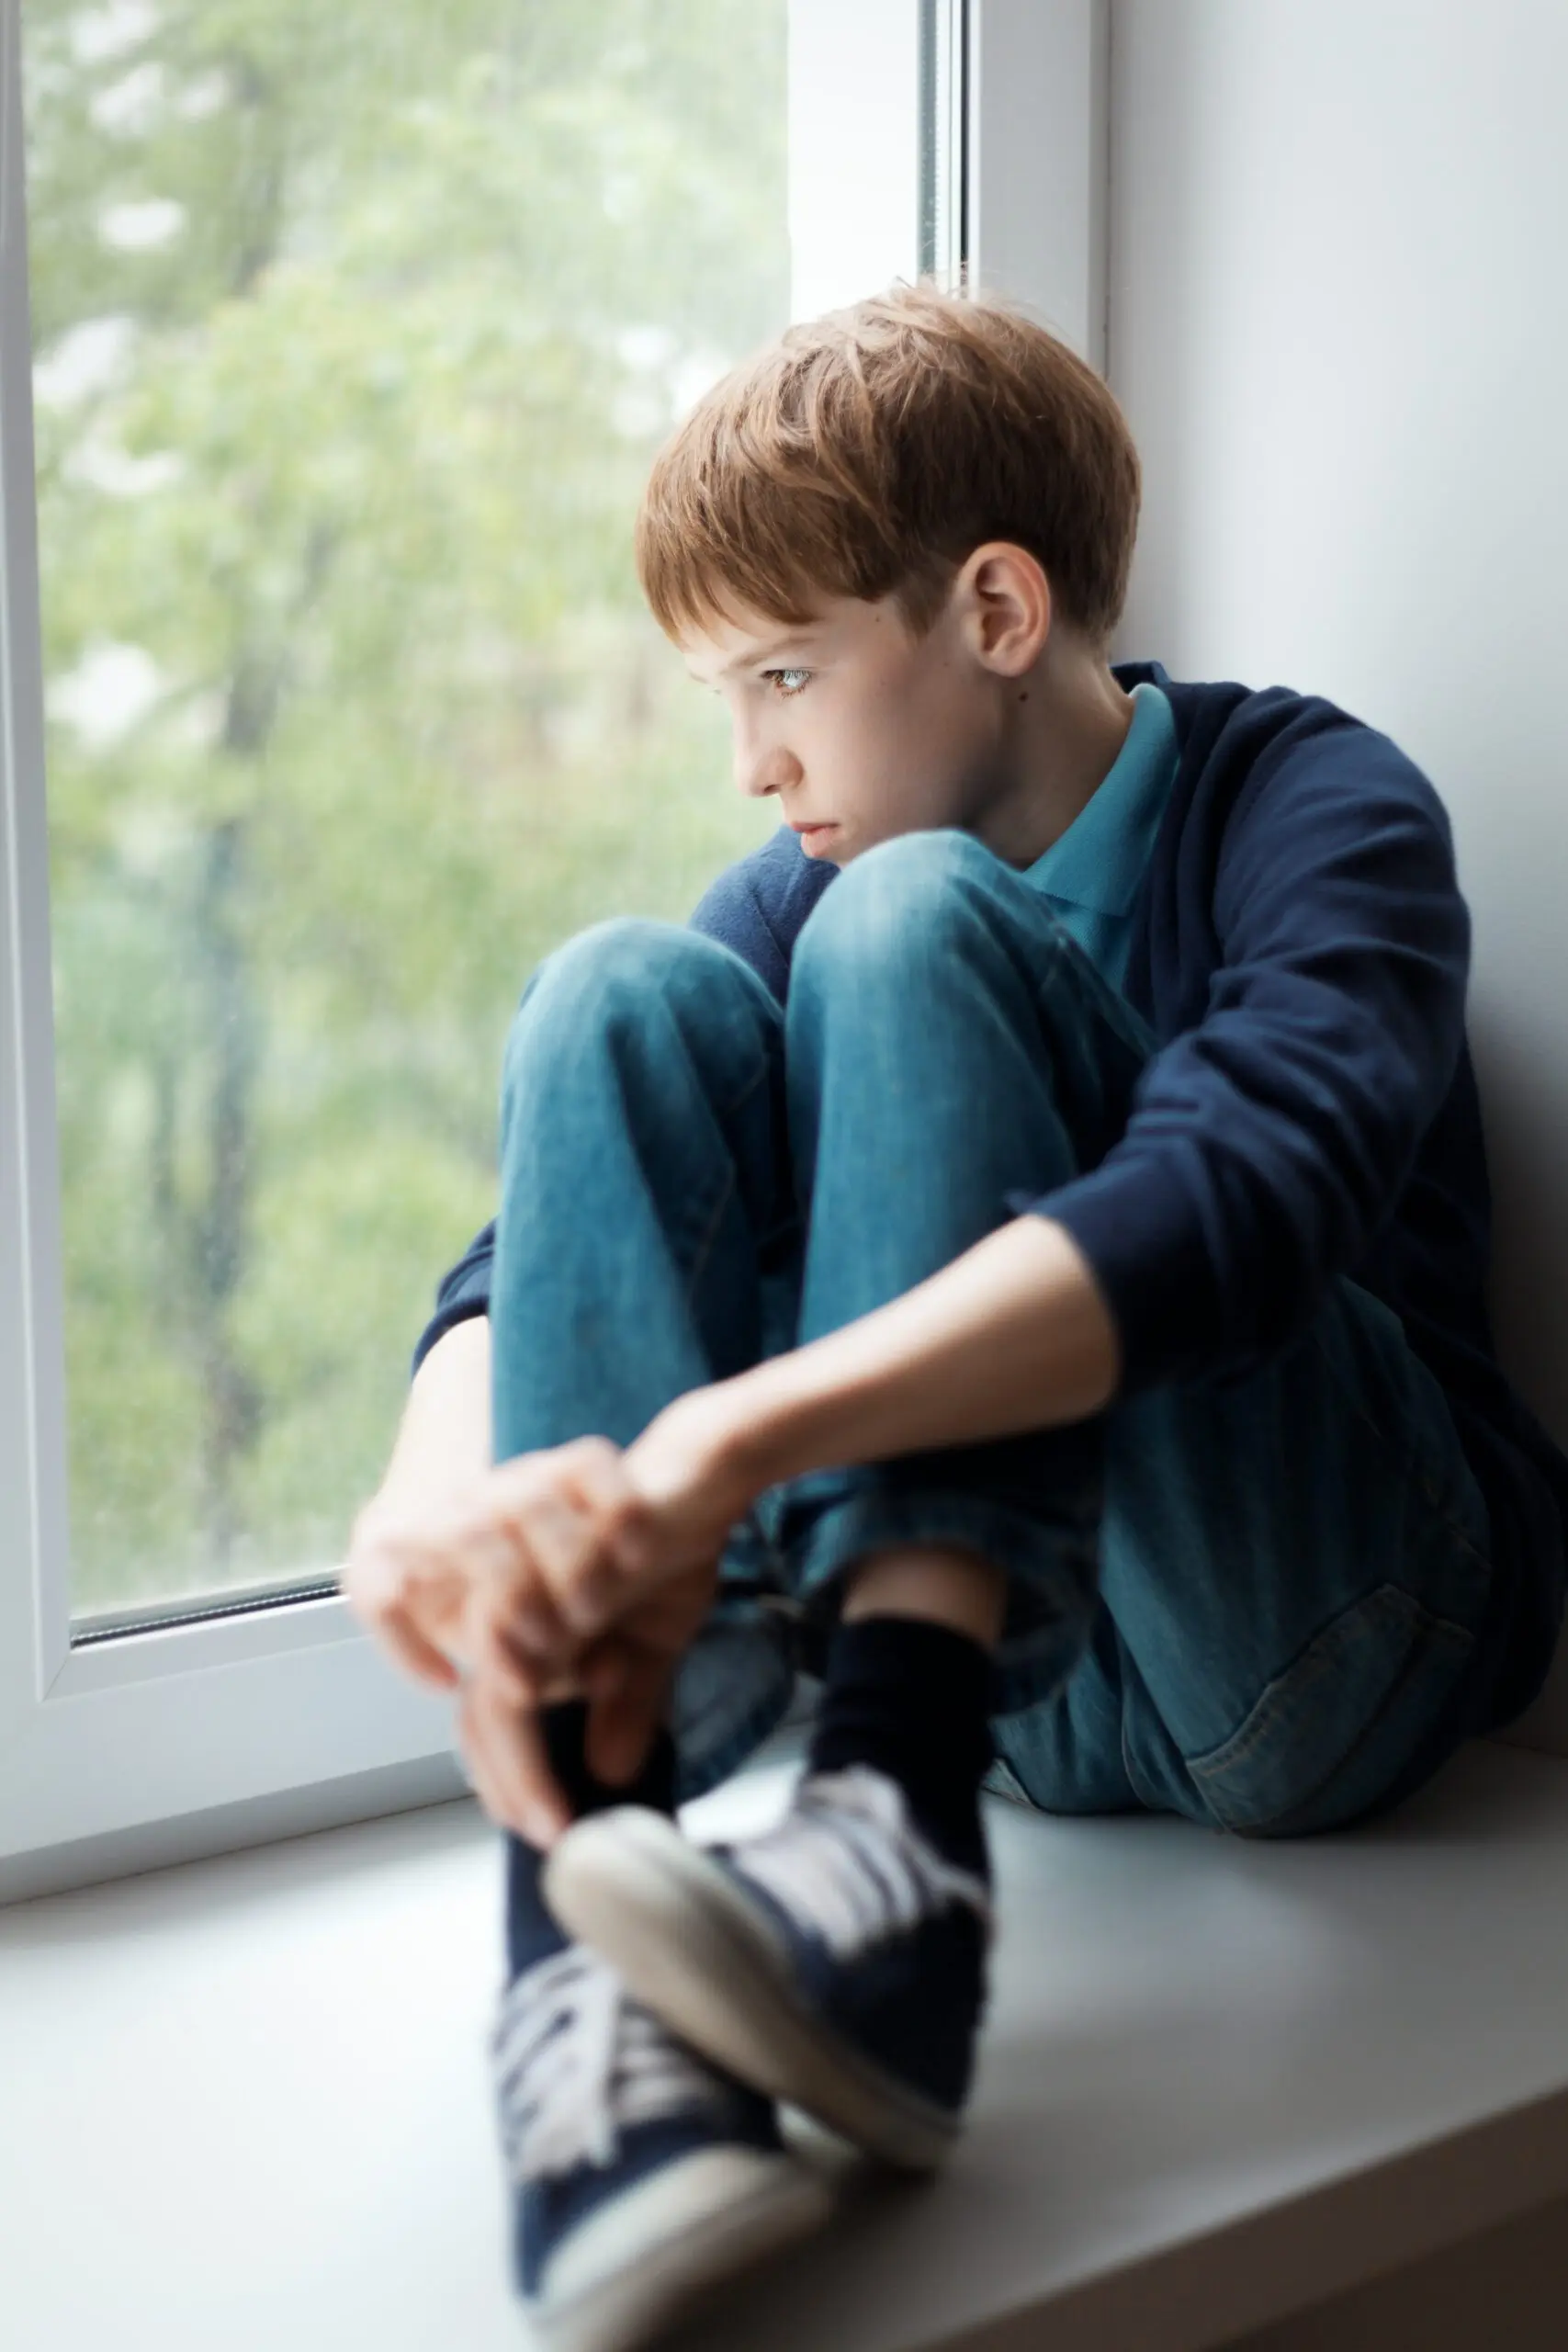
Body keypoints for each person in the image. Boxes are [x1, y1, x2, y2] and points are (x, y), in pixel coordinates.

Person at [343, 283, 1568, 2352]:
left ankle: (890, 1823)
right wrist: (426, 1499)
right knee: (613, 990)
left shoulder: (1308, 801)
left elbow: (1247, 1202)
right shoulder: (794, 885)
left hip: (1319, 1634)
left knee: (912, 919)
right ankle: (593, 1962)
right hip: (1029, 1689)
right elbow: (510, 1259)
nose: (752, 765)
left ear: (996, 611)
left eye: (786, 675)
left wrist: (745, 1432)